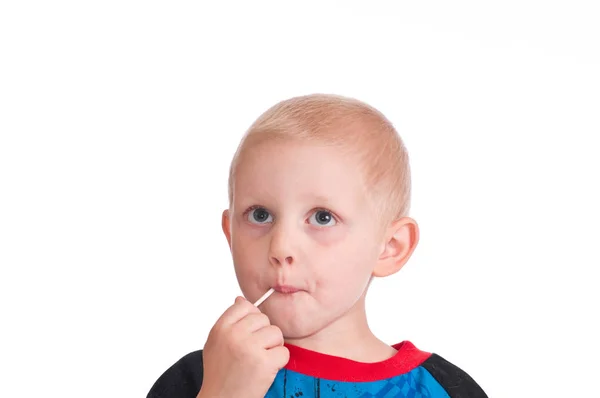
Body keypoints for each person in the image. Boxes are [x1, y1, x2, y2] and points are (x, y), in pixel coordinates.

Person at [147, 94, 488, 398]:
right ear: (230, 234)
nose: (280, 246)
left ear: (390, 247)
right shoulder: (203, 378)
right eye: (261, 215)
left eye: (322, 218)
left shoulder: (443, 389)